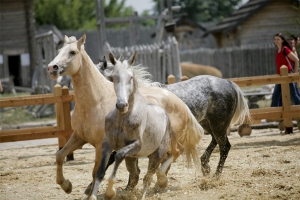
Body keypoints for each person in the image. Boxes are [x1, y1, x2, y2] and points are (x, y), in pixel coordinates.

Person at [270, 33, 300, 108]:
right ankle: (273, 115)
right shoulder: (277, 51)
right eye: (275, 39)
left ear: (282, 40)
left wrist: (294, 74)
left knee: (294, 96)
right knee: (275, 96)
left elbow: (296, 60)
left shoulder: (285, 49)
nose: (276, 41)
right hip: (280, 76)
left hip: (288, 75)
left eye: (278, 39)